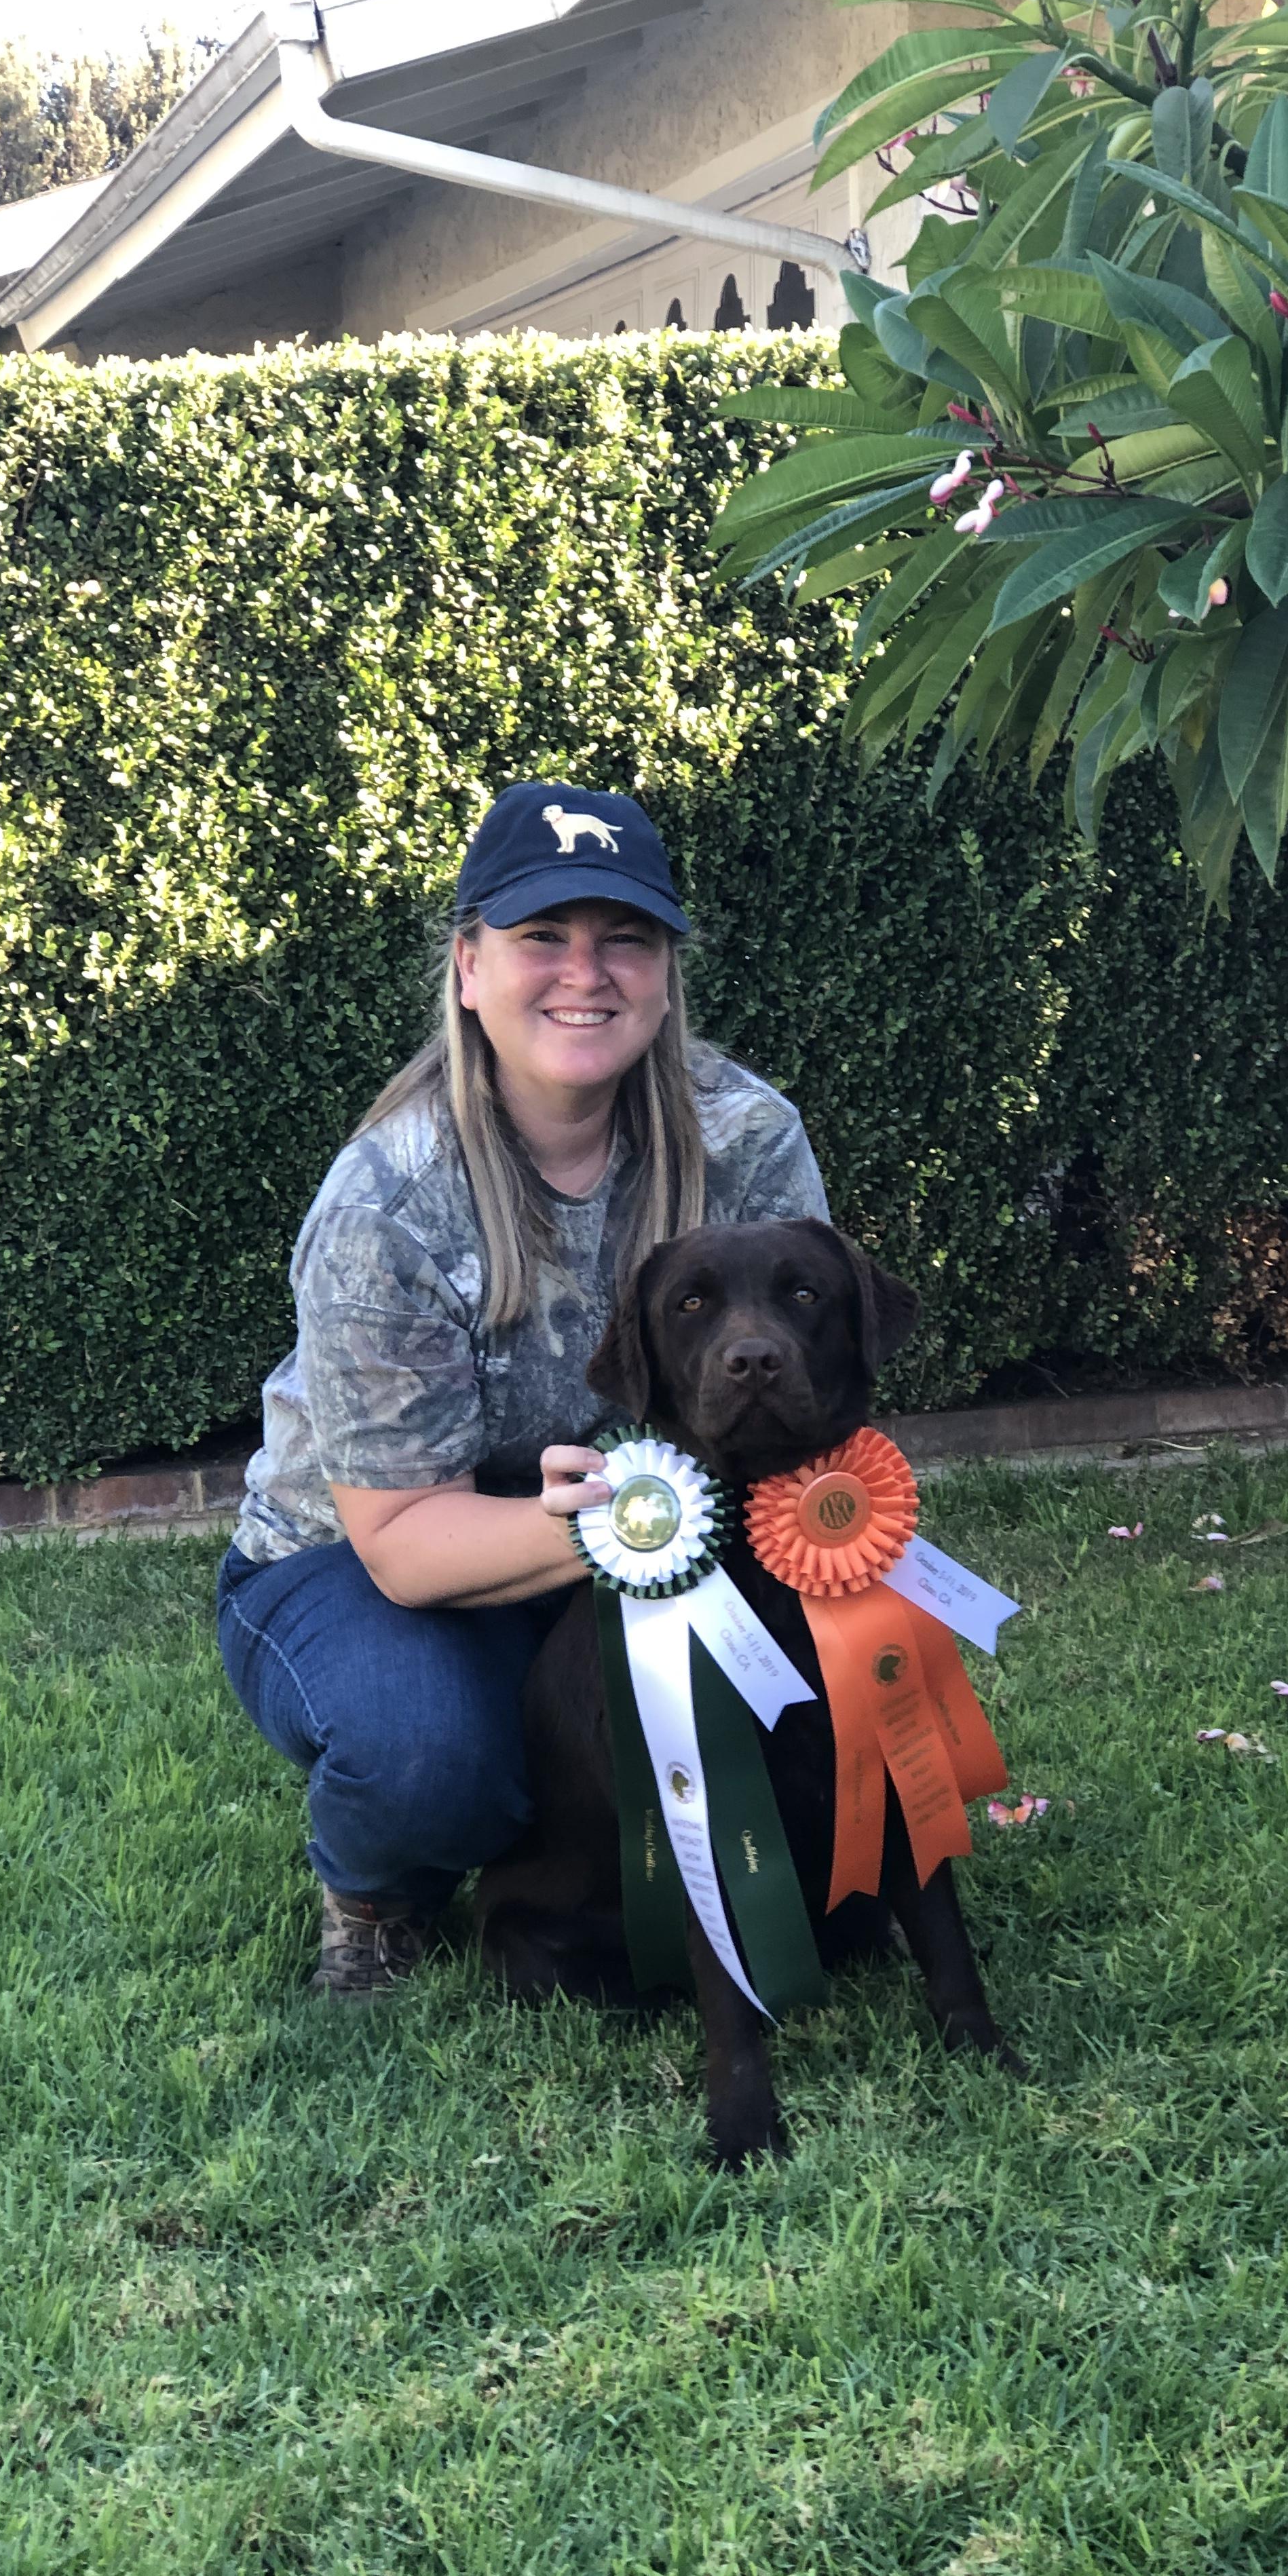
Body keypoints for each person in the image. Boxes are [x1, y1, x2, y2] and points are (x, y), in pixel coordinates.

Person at [216, 782, 829, 1999]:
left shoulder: (748, 1138)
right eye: (542, 935)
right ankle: (375, 1889)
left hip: (643, 1528)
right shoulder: (386, 1200)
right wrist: (618, 1525)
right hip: (359, 1560)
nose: (584, 974)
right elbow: (402, 1545)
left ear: (666, 976)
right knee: (435, 1753)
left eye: (626, 939)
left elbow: (808, 1387)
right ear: (468, 967)